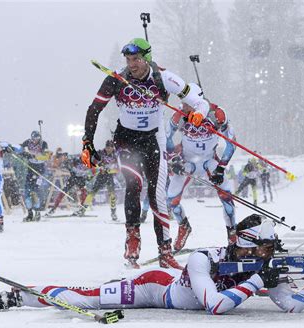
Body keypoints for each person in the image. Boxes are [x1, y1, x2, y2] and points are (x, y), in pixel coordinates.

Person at [0, 214, 304, 315]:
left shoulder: (259, 266)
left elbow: (292, 304)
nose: (267, 258)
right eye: (262, 250)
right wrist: (258, 279)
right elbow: (216, 306)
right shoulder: (205, 259)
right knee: (86, 299)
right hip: (154, 287)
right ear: (243, 245)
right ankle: (15, 298)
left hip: (180, 288)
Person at [80, 38, 209, 269]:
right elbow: (94, 109)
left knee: (157, 194)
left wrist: (198, 114)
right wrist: (87, 142)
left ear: (146, 58)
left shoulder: (165, 78)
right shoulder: (116, 80)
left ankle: (165, 251)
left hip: (153, 139)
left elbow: (200, 102)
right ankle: (132, 240)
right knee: (134, 183)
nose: (132, 65)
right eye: (128, 60)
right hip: (126, 139)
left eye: (136, 59)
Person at [166, 100, 237, 251]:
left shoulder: (216, 113)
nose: (185, 106)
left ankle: (232, 234)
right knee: (172, 200)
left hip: (209, 162)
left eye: (188, 103)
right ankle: (183, 226)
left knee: (227, 197)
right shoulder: (180, 113)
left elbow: (232, 143)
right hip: (188, 163)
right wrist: (174, 160)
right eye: (184, 103)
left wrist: (220, 168)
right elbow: (166, 139)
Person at [74, 140, 119, 220]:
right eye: (107, 147)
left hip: (109, 176)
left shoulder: (115, 155)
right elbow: (93, 163)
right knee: (92, 193)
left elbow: (118, 169)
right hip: (101, 176)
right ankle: (83, 209)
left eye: (110, 148)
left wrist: (109, 170)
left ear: (113, 148)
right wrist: (99, 167)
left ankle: (113, 213)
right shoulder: (100, 153)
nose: (108, 149)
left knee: (112, 195)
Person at [21, 131, 51, 222]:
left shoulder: (43, 144)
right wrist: (24, 153)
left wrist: (37, 156)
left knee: (35, 191)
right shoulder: (27, 143)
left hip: (40, 170)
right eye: (34, 139)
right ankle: (30, 213)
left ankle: (37, 213)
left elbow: (46, 157)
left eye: (37, 139)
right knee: (27, 191)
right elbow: (21, 150)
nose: (35, 141)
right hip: (31, 168)